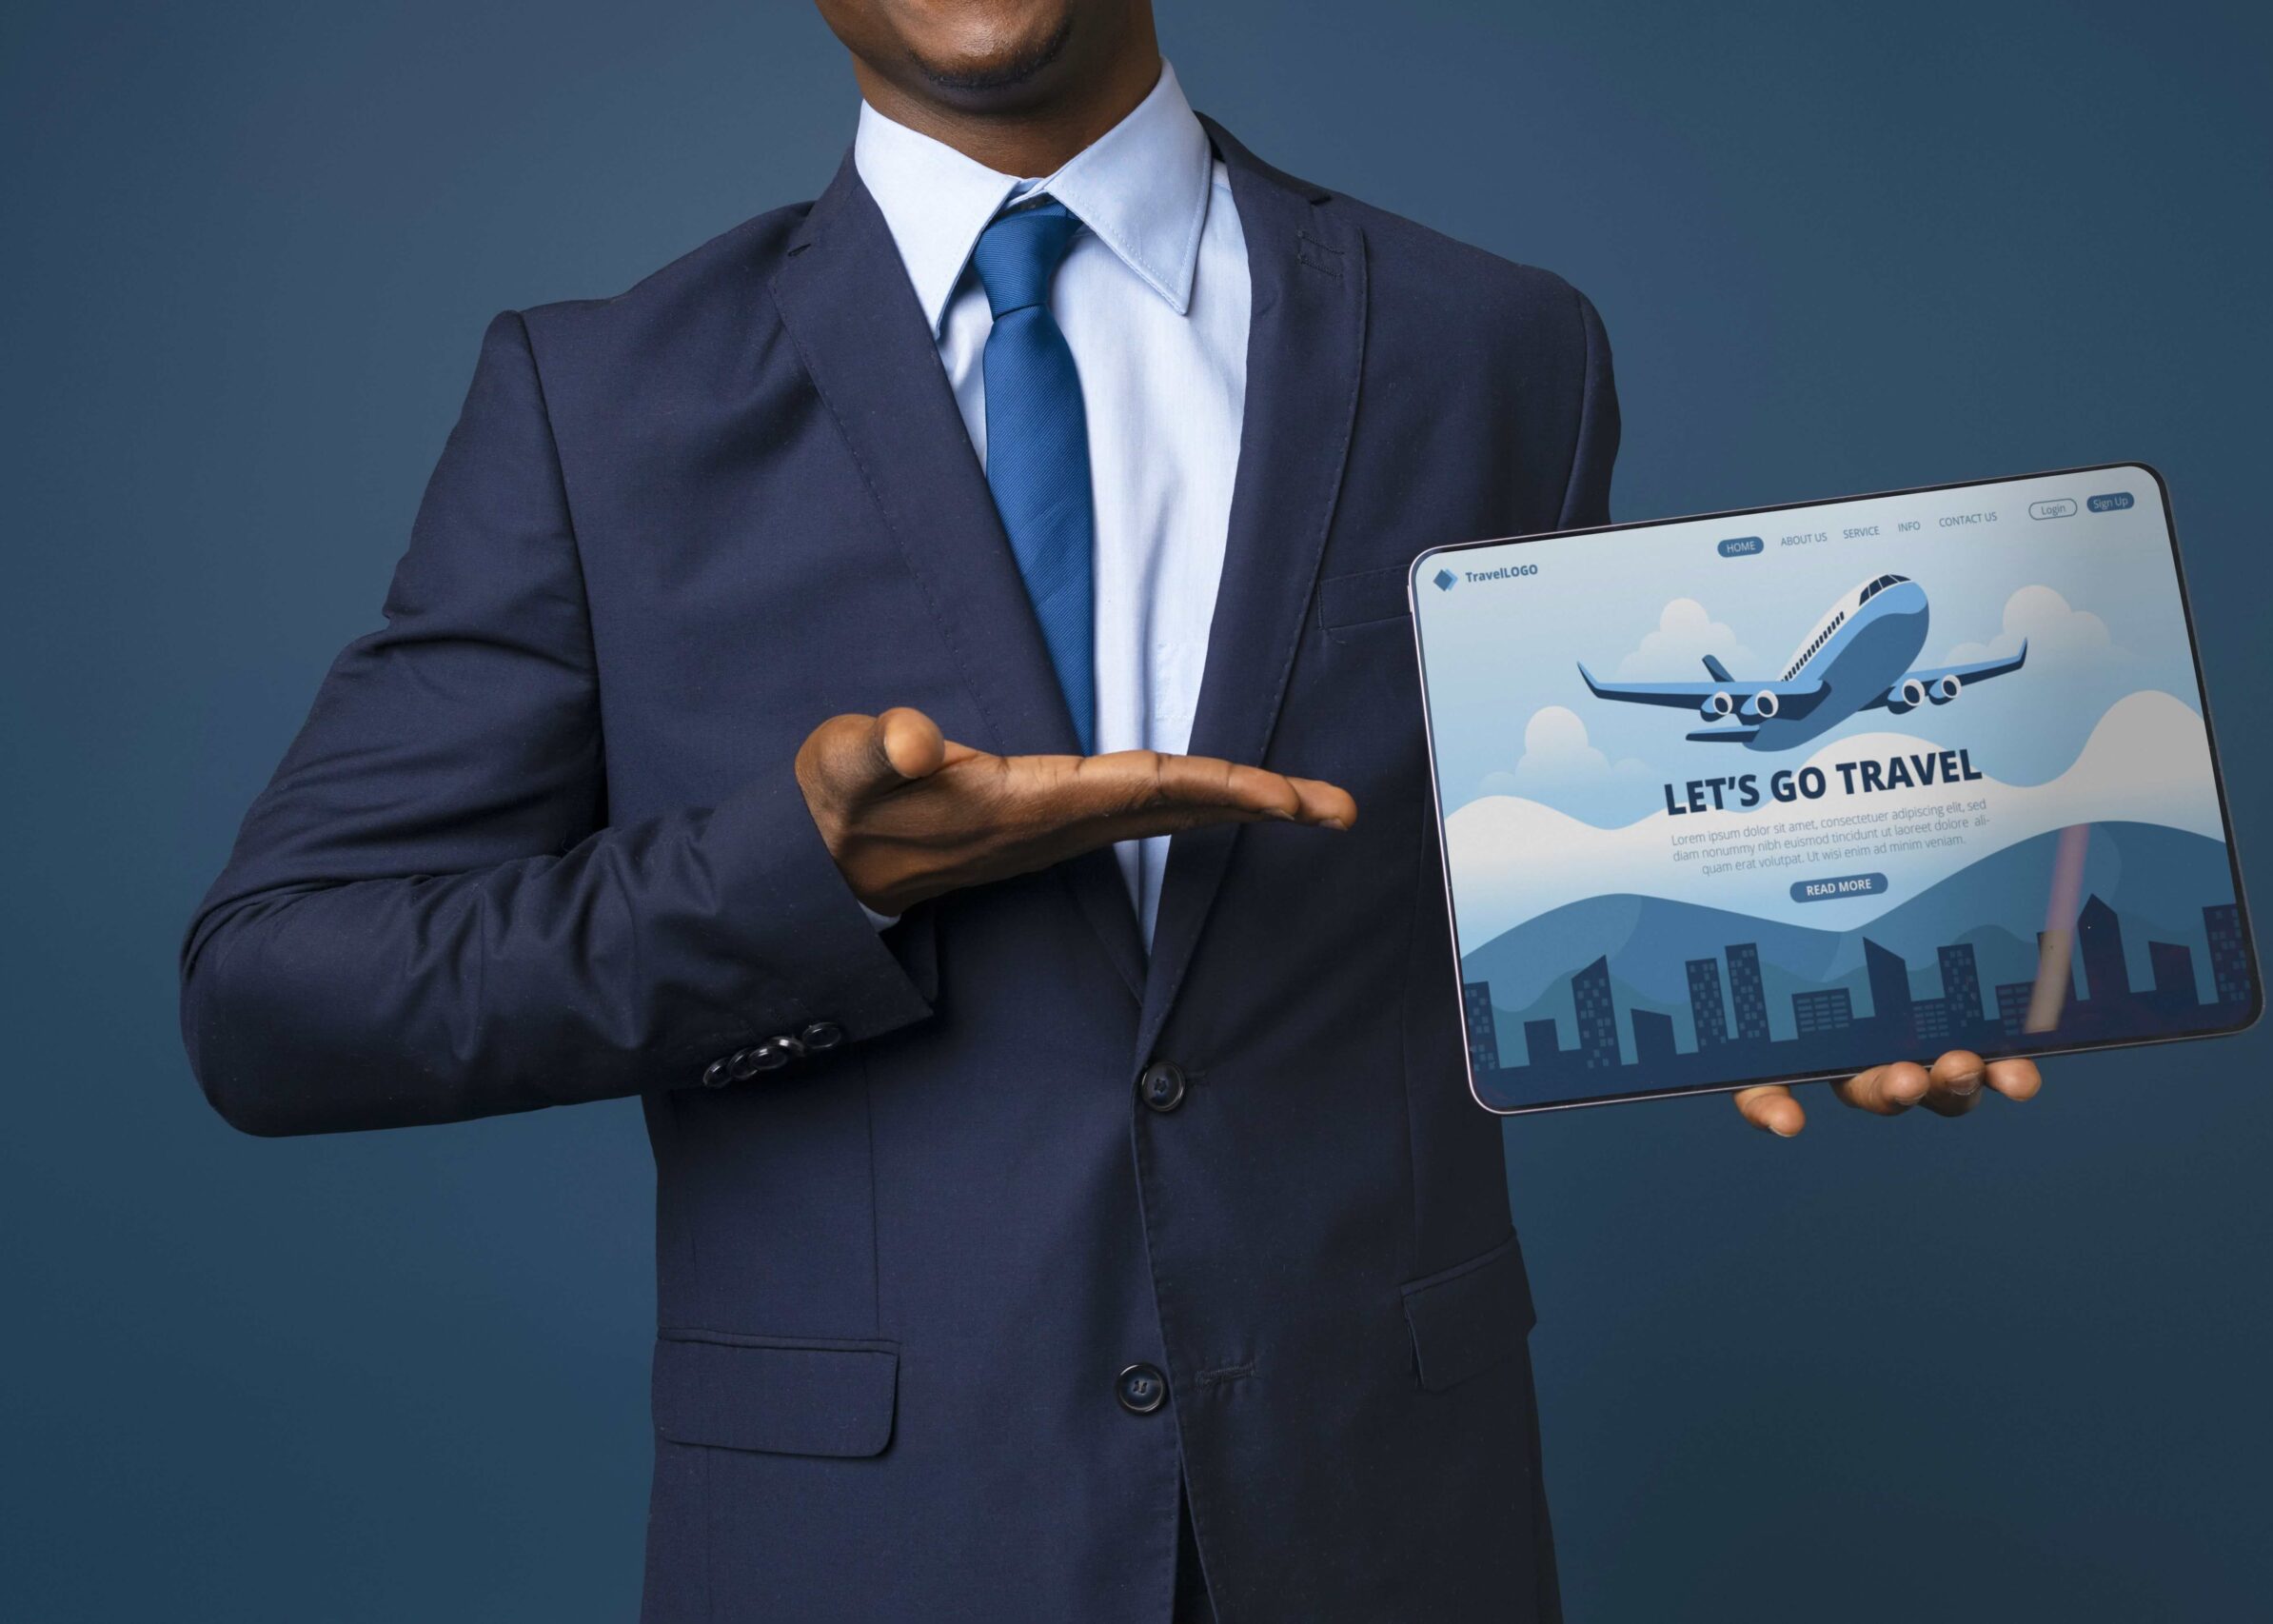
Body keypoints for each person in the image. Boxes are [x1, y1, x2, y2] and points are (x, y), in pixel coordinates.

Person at [180, 2, 2042, 1617]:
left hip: (1385, 1536)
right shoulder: (596, 402)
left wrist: (1783, 953)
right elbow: (278, 993)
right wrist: (804, 880)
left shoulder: (1500, 348)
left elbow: (1554, 851)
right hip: (866, 1557)